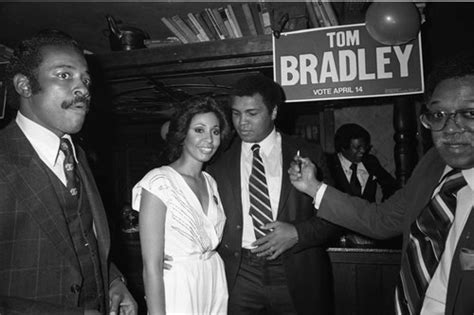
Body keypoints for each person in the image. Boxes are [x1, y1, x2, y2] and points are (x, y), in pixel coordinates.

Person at [289, 51, 474, 315]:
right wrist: (312, 187)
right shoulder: (433, 163)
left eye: (469, 113)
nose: (451, 128)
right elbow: (381, 220)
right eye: (438, 114)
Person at [0, 30, 137, 314]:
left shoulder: (78, 156)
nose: (83, 89)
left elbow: (84, 241)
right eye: (64, 75)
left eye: (85, 80)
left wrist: (113, 281)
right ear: (25, 85)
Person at [208, 74, 343, 314]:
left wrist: (297, 233)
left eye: (252, 113)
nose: (242, 123)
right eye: (236, 114)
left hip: (296, 269)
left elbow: (334, 217)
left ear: (273, 113)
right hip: (239, 274)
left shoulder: (308, 154)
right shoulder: (218, 159)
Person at [132, 96, 231, 314]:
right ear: (182, 134)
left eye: (215, 131)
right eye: (199, 130)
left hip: (213, 278)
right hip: (179, 284)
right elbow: (151, 267)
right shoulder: (159, 182)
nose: (209, 139)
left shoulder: (209, 181)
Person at [328, 123, 398, 203]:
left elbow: (391, 186)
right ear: (343, 147)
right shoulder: (329, 164)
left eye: (365, 147)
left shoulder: (370, 162)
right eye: (358, 148)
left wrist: (384, 207)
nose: (363, 151)